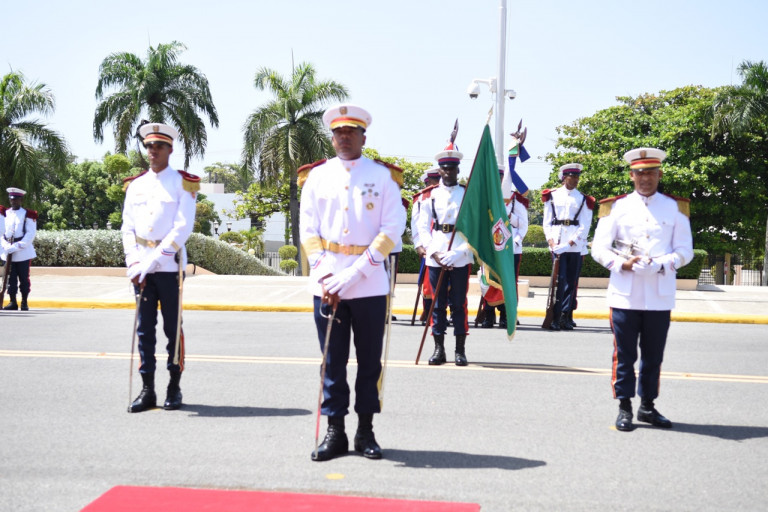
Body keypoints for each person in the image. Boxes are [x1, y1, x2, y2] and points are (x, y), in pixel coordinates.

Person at [298, 104, 405, 462]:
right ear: (332, 137)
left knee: (369, 362)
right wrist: (326, 274)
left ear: (363, 137)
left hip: (369, 284)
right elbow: (308, 230)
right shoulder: (317, 176)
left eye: (351, 132)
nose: (344, 137)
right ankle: (335, 432)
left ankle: (365, 431)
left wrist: (353, 274)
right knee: (333, 362)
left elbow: (391, 230)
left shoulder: (383, 177)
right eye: (338, 132)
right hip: (326, 283)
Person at [591, 147, 693, 432]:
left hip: (659, 296)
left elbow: (685, 250)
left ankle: (647, 406)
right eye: (639, 173)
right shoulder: (616, 207)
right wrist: (620, 264)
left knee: (653, 356)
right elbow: (599, 248)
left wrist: (663, 263)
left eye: (650, 173)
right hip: (625, 294)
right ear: (631, 176)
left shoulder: (675, 207)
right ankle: (624, 406)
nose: (645, 178)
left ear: (659, 174)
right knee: (624, 356)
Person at [121, 122, 199, 413]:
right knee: (144, 330)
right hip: (140, 266)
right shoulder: (136, 185)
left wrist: (152, 262)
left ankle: (174, 387)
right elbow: (127, 227)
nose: (153, 151)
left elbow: (182, 228)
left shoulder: (183, 183)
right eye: (149, 146)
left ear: (170, 149)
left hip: (168, 267)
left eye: (159, 146)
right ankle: (147, 389)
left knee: (172, 329)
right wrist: (134, 262)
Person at [417, 133, 474, 366]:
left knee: (459, 304)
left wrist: (458, 253)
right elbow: (423, 228)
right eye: (445, 169)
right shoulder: (429, 196)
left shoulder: (467, 195)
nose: (449, 172)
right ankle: (439, 349)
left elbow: (475, 228)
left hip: (460, 254)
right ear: (439, 170)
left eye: (452, 169)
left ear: (458, 170)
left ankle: (460, 350)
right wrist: (434, 252)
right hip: (437, 255)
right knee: (437, 305)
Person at [542, 163, 594, 330]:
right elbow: (547, 222)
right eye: (573, 176)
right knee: (559, 281)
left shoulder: (584, 199)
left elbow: (585, 225)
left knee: (571, 282)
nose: (576, 180)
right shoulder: (552, 195)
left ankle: (565, 315)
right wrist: (551, 242)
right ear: (564, 177)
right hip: (557, 244)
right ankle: (555, 316)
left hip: (574, 246)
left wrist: (570, 243)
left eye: (577, 177)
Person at [479, 168, 529, 328]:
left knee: (508, 283)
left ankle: (506, 315)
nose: (499, 180)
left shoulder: (516, 200)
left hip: (511, 248)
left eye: (502, 177)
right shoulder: (485, 197)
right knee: (488, 281)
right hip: (490, 248)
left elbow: (523, 225)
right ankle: (488, 314)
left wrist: (509, 217)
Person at [411, 167, 441, 324]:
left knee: (448, 282)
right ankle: (429, 312)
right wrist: (419, 245)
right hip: (427, 245)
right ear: (428, 182)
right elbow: (416, 224)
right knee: (428, 281)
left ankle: (444, 313)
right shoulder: (421, 198)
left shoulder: (447, 194)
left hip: (445, 244)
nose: (437, 184)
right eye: (434, 181)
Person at [1, 188, 38, 311]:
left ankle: (24, 302)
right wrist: (5, 245)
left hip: (23, 252)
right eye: (12, 199)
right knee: (10, 278)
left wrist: (16, 246)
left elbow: (30, 234)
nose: (13, 202)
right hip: (8, 250)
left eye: (16, 199)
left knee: (23, 278)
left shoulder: (28, 214)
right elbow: (1, 232)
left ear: (21, 200)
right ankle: (12, 302)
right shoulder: (5, 213)